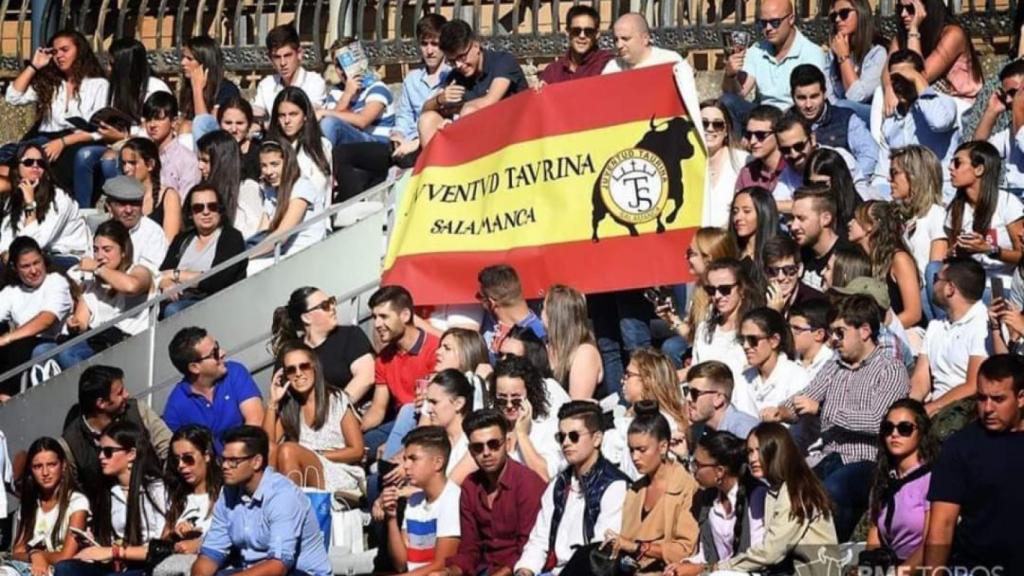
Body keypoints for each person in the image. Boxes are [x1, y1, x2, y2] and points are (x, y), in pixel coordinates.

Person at [762, 294, 910, 541]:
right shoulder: (835, 365)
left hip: (867, 460)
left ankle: (831, 555)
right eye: (832, 333)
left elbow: (879, 422)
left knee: (834, 490)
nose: (834, 340)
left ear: (864, 331)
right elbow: (807, 396)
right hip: (829, 455)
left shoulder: (891, 369)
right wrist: (782, 411)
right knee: (785, 488)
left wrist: (821, 411)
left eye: (840, 333)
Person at [923, 354, 1024, 575]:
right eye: (981, 398)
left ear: (1021, 397)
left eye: (998, 399)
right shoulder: (960, 447)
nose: (987, 408)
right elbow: (942, 525)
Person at [333, 14, 449, 201]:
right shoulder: (412, 78)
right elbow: (404, 115)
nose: (429, 50)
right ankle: (349, 211)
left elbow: (449, 122)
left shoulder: (451, 77)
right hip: (401, 147)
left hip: (427, 145)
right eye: (424, 44)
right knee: (344, 154)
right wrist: (399, 135)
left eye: (434, 44)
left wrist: (415, 143)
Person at [190, 425, 332, 576]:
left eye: (233, 461)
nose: (225, 466)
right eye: (223, 459)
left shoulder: (283, 496)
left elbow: (279, 566)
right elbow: (211, 554)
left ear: (256, 462)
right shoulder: (228, 492)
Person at [700, 423, 837, 575]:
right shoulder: (776, 490)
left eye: (759, 451)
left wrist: (715, 568)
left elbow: (771, 552)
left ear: (776, 450)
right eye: (750, 452)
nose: (752, 458)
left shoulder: (796, 489)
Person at [514, 401, 628, 576]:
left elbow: (600, 552)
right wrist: (525, 570)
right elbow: (539, 540)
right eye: (561, 437)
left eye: (574, 436)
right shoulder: (558, 484)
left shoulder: (614, 486)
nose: (566, 443)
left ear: (597, 438)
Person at [2, 31, 109, 199]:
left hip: (75, 141)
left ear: (79, 51)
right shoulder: (51, 83)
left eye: (65, 50)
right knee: (11, 155)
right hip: (43, 139)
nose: (59, 55)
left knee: (54, 160)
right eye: (55, 52)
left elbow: (99, 129)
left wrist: (62, 142)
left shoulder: (98, 84)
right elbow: (13, 96)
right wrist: (34, 66)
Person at [53, 421, 167, 576]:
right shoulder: (108, 491)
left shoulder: (155, 490)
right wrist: (94, 544)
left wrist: (112, 552)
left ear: (131, 454)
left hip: (148, 567)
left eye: (108, 452)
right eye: (99, 451)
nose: (101, 457)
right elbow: (110, 545)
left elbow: (160, 548)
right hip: (118, 566)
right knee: (65, 568)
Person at [444, 409, 546, 576]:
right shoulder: (470, 486)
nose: (486, 453)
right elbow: (470, 548)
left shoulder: (528, 483)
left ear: (506, 443)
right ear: (470, 451)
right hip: (486, 569)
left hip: (524, 569)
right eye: (478, 447)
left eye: (493, 444)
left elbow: (530, 547)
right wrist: (450, 572)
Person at [602, 407, 699, 574]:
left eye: (642, 450)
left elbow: (686, 549)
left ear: (663, 447)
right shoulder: (635, 490)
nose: (635, 457)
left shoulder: (686, 487)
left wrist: (639, 548)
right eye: (631, 450)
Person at [263, 340, 365, 492]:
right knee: (279, 451)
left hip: (337, 470)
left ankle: (290, 510)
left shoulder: (337, 399)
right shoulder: (289, 407)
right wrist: (273, 403)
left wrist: (315, 455)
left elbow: (357, 450)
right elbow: (267, 448)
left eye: (304, 366)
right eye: (291, 370)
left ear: (314, 367)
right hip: (301, 469)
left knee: (287, 450)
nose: (298, 373)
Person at [665, 431, 767, 576]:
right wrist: (685, 565)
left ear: (719, 471)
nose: (694, 471)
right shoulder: (708, 500)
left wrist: (702, 569)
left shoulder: (755, 496)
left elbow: (756, 558)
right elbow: (706, 555)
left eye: (698, 465)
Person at [61, 365, 172, 499]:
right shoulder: (70, 443)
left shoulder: (137, 411)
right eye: (119, 393)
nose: (127, 394)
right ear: (101, 403)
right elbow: (75, 491)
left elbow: (168, 448)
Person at [56, 220, 154, 368]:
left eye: (107, 250)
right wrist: (74, 324)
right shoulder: (91, 283)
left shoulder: (139, 271)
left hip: (129, 346)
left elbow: (131, 286)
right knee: (42, 351)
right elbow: (82, 321)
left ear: (123, 251)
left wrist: (97, 267)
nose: (99, 255)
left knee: (68, 353)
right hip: (97, 344)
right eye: (96, 250)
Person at [418, 20, 527, 146]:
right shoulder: (456, 76)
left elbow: (490, 101)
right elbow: (425, 110)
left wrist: (457, 119)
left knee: (469, 111)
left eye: (461, 57)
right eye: (452, 61)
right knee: (427, 120)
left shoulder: (502, 62)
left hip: (515, 134)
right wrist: (440, 100)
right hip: (476, 139)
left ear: (475, 45)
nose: (458, 65)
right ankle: (436, 165)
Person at [364, 285, 440, 456]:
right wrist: (352, 431)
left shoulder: (436, 349)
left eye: (384, 317)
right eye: (374, 317)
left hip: (426, 421)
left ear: (405, 315)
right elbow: (378, 409)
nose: (377, 324)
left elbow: (435, 409)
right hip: (397, 422)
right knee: (361, 444)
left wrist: (400, 444)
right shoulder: (383, 357)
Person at [163, 327, 264, 454]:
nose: (223, 353)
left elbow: (256, 421)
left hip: (249, 453)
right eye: (214, 353)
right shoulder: (175, 408)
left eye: (218, 346)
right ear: (195, 367)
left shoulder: (235, 372)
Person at [880, 50, 962, 204]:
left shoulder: (944, 104)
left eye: (906, 79)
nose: (900, 86)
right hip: (904, 202)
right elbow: (882, 173)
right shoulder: (890, 123)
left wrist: (917, 79)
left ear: (922, 75)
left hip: (941, 197)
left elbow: (939, 122)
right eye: (895, 80)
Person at [863, 399, 935, 572]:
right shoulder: (884, 478)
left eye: (904, 428)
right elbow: (875, 534)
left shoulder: (932, 478)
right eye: (888, 428)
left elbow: (931, 542)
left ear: (921, 431)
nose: (894, 434)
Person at [720, 0, 826, 118]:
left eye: (775, 22)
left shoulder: (811, 53)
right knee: (727, 101)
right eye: (763, 23)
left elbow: (812, 100)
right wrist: (730, 75)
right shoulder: (758, 49)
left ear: (791, 19)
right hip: (762, 115)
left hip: (795, 116)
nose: (768, 28)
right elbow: (738, 95)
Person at [157, 182, 248, 317]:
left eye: (212, 206)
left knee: (173, 311)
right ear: (190, 213)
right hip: (177, 300)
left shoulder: (232, 238)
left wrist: (176, 275)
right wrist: (166, 282)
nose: (206, 212)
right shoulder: (182, 239)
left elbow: (216, 280)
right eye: (198, 208)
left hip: (213, 305)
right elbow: (163, 273)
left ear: (220, 210)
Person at [911, 258, 988, 415]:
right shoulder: (935, 326)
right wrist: (907, 409)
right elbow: (921, 380)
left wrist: (932, 408)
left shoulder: (983, 325)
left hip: (967, 412)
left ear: (950, 288)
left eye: (936, 279)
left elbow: (974, 385)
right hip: (936, 412)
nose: (932, 285)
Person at [1, 437, 89, 576]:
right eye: (38, 467)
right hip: (28, 566)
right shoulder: (30, 503)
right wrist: (34, 556)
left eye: (52, 464)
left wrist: (40, 556)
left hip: (60, 569)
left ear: (63, 465)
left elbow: (66, 555)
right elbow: (17, 552)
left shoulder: (77, 502)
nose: (45, 473)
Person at [0, 236, 73, 398]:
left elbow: (46, 320)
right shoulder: (12, 291)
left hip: (54, 344)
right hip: (22, 350)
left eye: (36, 263)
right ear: (14, 268)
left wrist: (7, 338)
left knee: (21, 345)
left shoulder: (56, 282)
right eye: (25, 266)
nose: (33, 271)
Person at [946, 140, 1024, 291]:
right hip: (968, 286)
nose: (950, 168)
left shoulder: (1007, 203)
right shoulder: (955, 209)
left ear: (979, 169)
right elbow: (948, 253)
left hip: (1004, 284)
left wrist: (989, 249)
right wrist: (956, 252)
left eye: (957, 163)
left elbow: (1022, 257)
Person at [382, 426, 461, 574]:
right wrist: (391, 518)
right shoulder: (414, 500)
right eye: (405, 459)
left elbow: (442, 564)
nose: (405, 466)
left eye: (413, 459)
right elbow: (401, 564)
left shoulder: (452, 498)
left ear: (438, 463)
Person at [883, 0, 982, 118]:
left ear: (926, 9)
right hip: (927, 99)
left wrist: (914, 29)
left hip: (959, 106)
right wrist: (889, 87)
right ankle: (881, 136)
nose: (903, 14)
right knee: (881, 92)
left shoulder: (953, 34)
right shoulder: (902, 37)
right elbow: (886, 70)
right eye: (900, 8)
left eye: (910, 9)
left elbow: (920, 75)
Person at [271, 286, 374, 399]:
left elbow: (366, 377)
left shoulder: (350, 335)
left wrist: (335, 412)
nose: (333, 307)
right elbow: (281, 395)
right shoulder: (290, 354)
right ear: (306, 317)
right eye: (325, 305)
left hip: (358, 412)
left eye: (332, 301)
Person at [657, 227, 740, 363]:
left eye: (691, 253)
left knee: (671, 347)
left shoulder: (730, 296)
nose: (686, 257)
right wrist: (671, 318)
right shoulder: (699, 290)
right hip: (702, 363)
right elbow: (694, 338)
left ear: (708, 258)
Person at [0, 143, 90, 267]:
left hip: (69, 258)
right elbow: (6, 238)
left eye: (41, 163)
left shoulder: (59, 198)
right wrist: (5, 254)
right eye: (29, 162)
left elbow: (34, 245)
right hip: (32, 257)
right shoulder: (13, 197)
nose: (35, 166)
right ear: (17, 167)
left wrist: (30, 204)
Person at [605, 350, 689, 477]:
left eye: (628, 375)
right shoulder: (632, 417)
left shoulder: (662, 424)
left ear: (647, 381)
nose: (623, 380)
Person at [790, 63, 878, 181]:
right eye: (801, 98)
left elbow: (870, 156)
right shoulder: (787, 121)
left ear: (825, 93)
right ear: (792, 97)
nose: (808, 105)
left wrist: (844, 181)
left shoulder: (845, 118)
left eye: (814, 96)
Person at [249, 138, 329, 270]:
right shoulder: (270, 189)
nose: (269, 171)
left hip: (304, 256)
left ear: (288, 163)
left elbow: (282, 235)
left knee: (248, 268)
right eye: (264, 165)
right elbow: (263, 231)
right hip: (280, 255)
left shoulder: (302, 186)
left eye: (275, 164)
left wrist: (247, 257)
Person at [155, 425, 223, 575]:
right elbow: (162, 542)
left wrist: (199, 542)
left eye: (188, 458)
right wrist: (175, 534)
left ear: (206, 456)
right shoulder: (178, 496)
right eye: (176, 460)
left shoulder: (225, 495)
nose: (181, 466)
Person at [848, 201, 924, 330]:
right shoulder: (866, 262)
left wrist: (879, 332)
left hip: (907, 334)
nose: (850, 223)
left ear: (870, 226)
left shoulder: (899, 259)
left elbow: (913, 314)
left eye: (856, 219)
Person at [889, 145, 947, 306]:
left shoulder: (936, 215)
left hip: (928, 303)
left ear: (915, 176)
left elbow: (936, 275)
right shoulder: (901, 218)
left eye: (894, 173)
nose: (889, 179)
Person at [692, 258, 765, 383]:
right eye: (711, 290)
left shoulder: (755, 331)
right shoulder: (704, 329)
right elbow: (696, 370)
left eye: (725, 289)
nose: (717, 296)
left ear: (741, 288)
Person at [491, 356, 563, 482]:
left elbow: (542, 477)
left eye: (516, 400)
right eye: (502, 399)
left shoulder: (546, 429)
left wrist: (522, 435)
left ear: (529, 395)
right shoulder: (491, 428)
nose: (509, 405)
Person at [773, 111, 867, 208]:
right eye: (785, 150)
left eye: (799, 146)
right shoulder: (786, 173)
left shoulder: (838, 158)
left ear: (812, 139)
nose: (794, 154)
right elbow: (775, 204)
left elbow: (862, 199)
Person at [318, 38, 395, 148]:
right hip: (347, 146)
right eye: (338, 65)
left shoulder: (377, 88)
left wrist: (324, 112)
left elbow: (363, 121)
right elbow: (331, 123)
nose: (343, 70)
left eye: (346, 63)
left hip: (375, 145)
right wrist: (347, 94)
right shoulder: (336, 92)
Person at [737, 307, 810, 417]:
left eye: (753, 340)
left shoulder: (797, 377)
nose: (746, 346)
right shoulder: (743, 378)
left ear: (774, 341)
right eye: (742, 340)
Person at [266, 87, 333, 201]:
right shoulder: (271, 148)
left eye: (293, 114)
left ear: (305, 115)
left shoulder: (321, 146)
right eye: (282, 115)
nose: (287, 121)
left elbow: (320, 190)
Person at [195, 130, 263, 240]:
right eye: (199, 160)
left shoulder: (247, 189)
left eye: (205, 161)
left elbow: (253, 234)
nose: (200, 166)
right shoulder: (204, 192)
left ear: (222, 161)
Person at [824, 0, 886, 117]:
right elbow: (828, 92)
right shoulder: (834, 51)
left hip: (868, 116)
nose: (838, 20)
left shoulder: (877, 53)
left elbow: (856, 97)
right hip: (839, 115)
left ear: (860, 13)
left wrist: (843, 58)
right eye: (834, 16)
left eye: (844, 13)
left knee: (844, 106)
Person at [251, 24, 328, 119]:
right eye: (277, 57)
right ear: (270, 59)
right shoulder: (267, 84)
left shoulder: (314, 82)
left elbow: (309, 116)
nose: (283, 63)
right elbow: (256, 112)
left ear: (299, 54)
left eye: (287, 55)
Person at [542, 284, 602, 399]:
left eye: (544, 308)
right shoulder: (544, 348)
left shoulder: (585, 353)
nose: (541, 313)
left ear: (555, 316)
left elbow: (577, 405)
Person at [179, 35, 243, 143]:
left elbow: (206, 129)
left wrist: (197, 90)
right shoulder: (188, 88)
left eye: (190, 59)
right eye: (183, 57)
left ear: (205, 63)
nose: (183, 63)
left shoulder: (227, 90)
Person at [100, 175, 169, 274]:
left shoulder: (153, 234)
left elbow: (148, 274)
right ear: (109, 207)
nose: (129, 210)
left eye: (134, 203)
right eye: (122, 204)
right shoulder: (103, 230)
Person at [119, 137, 182, 243]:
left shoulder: (169, 196)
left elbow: (169, 242)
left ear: (150, 164)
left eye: (132, 163)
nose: (126, 169)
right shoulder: (120, 196)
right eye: (124, 163)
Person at [975, 59, 1024, 197]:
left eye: (1014, 92)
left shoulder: (1018, 126)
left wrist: (1018, 108)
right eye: (1005, 94)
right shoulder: (1011, 131)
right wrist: (992, 111)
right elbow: (978, 152)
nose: (1008, 100)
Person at [478, 264, 546, 357]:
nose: (478, 300)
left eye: (480, 296)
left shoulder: (540, 338)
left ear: (491, 302)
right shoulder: (542, 331)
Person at [700, 99, 749, 228]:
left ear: (726, 130)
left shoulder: (744, 161)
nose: (710, 129)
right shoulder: (684, 164)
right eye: (703, 123)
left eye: (717, 124)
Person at [142, 92, 200, 198]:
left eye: (159, 119)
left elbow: (186, 201)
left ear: (174, 122)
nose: (152, 125)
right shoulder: (142, 155)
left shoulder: (187, 160)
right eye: (148, 119)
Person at [790, 184, 846, 292]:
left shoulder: (846, 259)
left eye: (801, 218)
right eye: (793, 218)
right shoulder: (799, 253)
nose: (793, 226)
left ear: (825, 219)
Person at [538, 5, 613, 83]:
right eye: (576, 31)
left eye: (588, 31)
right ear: (567, 32)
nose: (582, 36)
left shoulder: (608, 64)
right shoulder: (553, 71)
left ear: (597, 34)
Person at [685, 361, 759, 440]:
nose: (688, 398)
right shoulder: (698, 431)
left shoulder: (744, 432)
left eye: (694, 393)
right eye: (686, 391)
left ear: (719, 398)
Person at [804, 147, 863, 243]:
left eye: (821, 184)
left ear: (837, 180)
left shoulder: (857, 215)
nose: (815, 190)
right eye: (811, 184)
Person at [602, 12, 687, 74]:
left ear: (645, 39)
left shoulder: (670, 61)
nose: (619, 45)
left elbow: (688, 97)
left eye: (625, 38)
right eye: (616, 40)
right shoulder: (613, 67)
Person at [763, 235, 825, 317]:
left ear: (800, 270)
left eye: (789, 270)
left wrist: (773, 315)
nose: (780, 277)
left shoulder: (816, 302)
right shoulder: (758, 300)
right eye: (773, 271)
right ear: (765, 272)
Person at [728, 186, 778, 282]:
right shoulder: (729, 253)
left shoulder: (778, 255)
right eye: (735, 212)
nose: (737, 217)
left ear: (763, 213)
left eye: (747, 211)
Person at [735, 105, 786, 193]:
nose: (752, 141)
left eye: (760, 135)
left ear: (778, 134)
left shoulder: (792, 169)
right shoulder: (747, 173)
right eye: (749, 135)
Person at [217, 97, 262, 182]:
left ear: (249, 125)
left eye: (240, 123)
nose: (234, 129)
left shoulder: (260, 152)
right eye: (228, 123)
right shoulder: (213, 151)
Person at [788, 299, 834, 379]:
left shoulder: (830, 366)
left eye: (797, 328)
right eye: (788, 327)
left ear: (819, 334)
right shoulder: (788, 357)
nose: (789, 332)